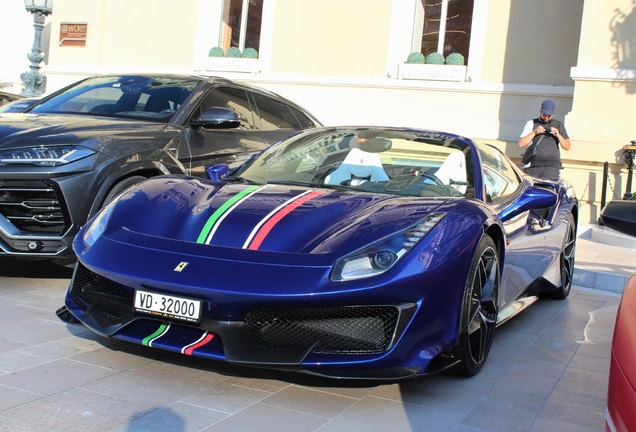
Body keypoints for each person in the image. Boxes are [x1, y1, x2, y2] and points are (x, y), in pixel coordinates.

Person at [518, 99, 571, 180]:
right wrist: (534, 132)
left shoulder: (558, 124)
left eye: (549, 115)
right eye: (544, 114)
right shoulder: (531, 123)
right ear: (540, 110)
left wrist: (558, 135)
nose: (546, 117)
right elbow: (521, 143)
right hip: (533, 166)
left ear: (553, 113)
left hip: (552, 166)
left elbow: (567, 147)